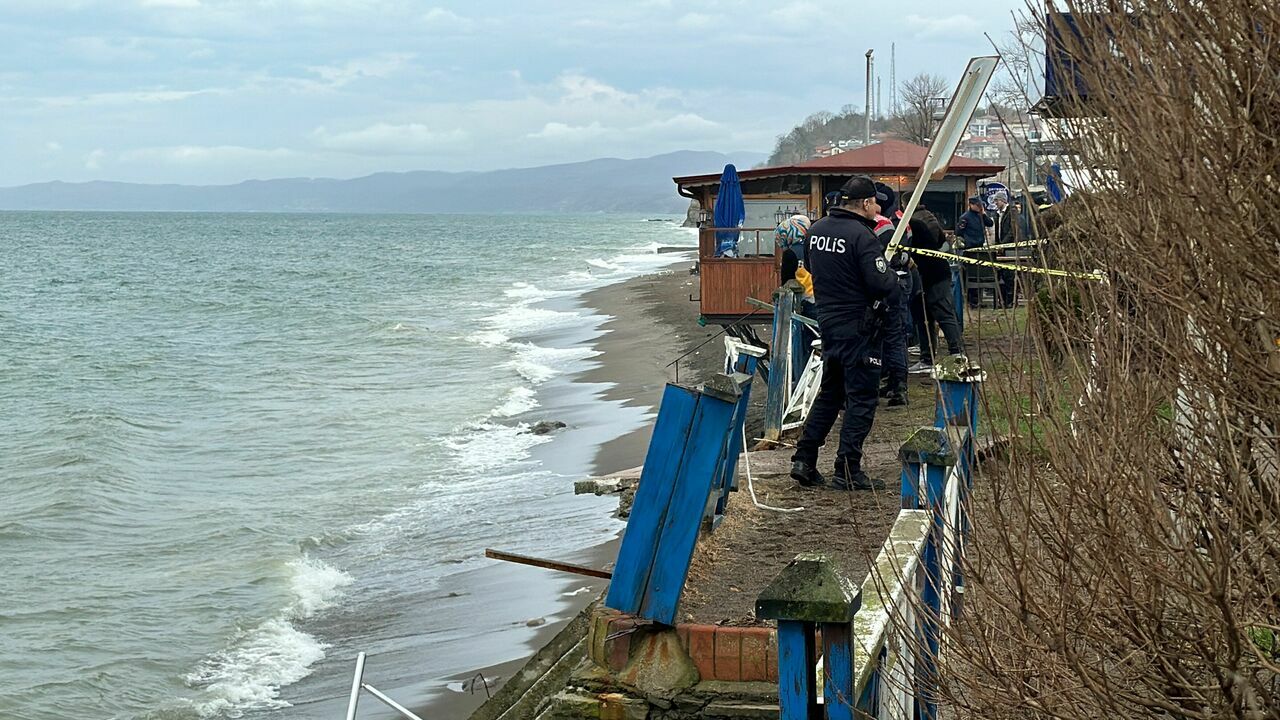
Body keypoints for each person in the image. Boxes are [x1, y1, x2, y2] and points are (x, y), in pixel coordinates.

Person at [789, 176, 897, 491]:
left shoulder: (817, 230)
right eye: (876, 202)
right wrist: (893, 275)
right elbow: (881, 284)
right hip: (860, 326)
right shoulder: (862, 237)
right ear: (865, 203)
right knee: (862, 398)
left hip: (829, 322)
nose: (878, 208)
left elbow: (810, 266)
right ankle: (848, 468)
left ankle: (804, 459)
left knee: (831, 393)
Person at [903, 193, 964, 374]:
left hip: (931, 274)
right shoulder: (929, 217)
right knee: (928, 317)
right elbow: (943, 244)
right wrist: (938, 254)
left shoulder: (910, 224)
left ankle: (954, 354)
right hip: (936, 270)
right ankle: (935, 355)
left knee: (938, 314)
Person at [872, 182, 910, 407]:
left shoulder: (886, 224)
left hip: (891, 282)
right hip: (899, 280)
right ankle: (896, 383)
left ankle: (897, 385)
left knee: (890, 336)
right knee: (894, 336)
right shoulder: (897, 220)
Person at [955, 196, 993, 307]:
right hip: (969, 249)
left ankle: (978, 299)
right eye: (977, 205)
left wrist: (984, 214)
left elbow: (990, 223)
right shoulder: (965, 217)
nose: (979, 207)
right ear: (971, 205)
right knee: (971, 275)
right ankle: (972, 301)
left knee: (979, 275)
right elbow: (959, 231)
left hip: (980, 248)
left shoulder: (980, 216)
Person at [992, 193, 1018, 307]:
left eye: (997, 201)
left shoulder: (1012, 212)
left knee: (1009, 276)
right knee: (1001, 275)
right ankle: (1003, 301)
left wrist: (1003, 245)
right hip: (1000, 249)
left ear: (1003, 201)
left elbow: (1012, 231)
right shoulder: (997, 215)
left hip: (1009, 249)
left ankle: (1011, 301)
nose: (996, 203)